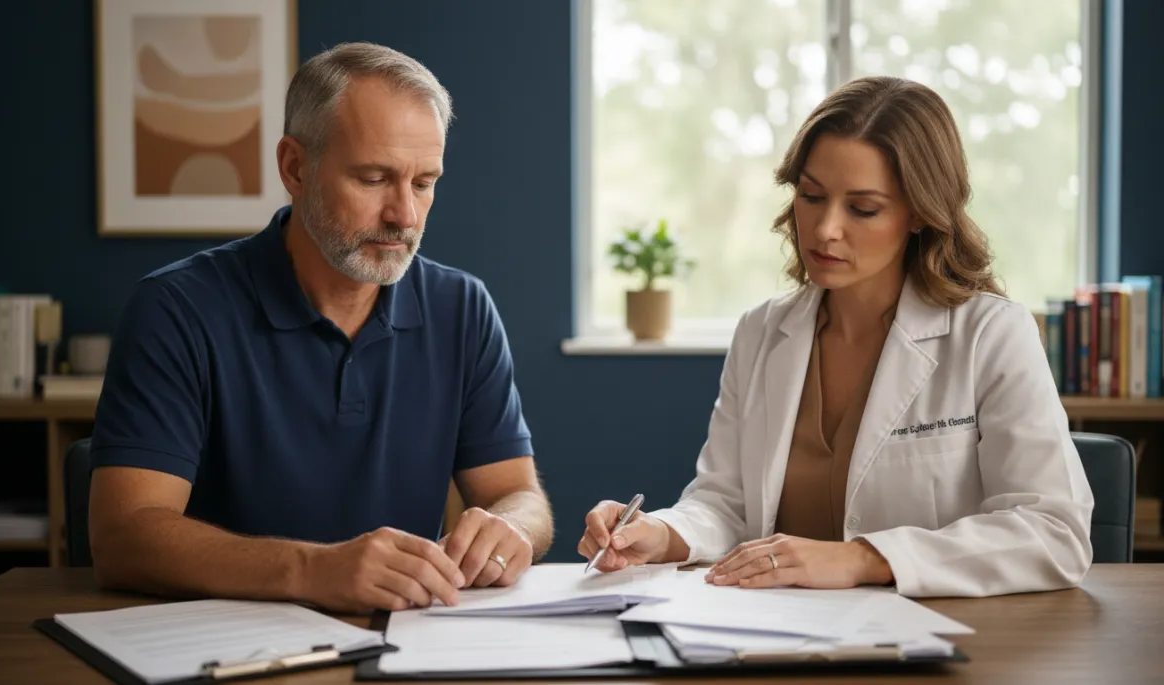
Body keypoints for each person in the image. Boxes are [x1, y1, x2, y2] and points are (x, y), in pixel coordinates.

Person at [578, 76, 1094, 598]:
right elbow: (725, 502)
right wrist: (662, 533)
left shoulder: (991, 333)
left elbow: (1054, 532)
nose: (825, 229)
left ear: (919, 212)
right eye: (811, 196)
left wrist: (863, 559)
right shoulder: (761, 332)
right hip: (779, 642)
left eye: (862, 208)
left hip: (940, 643)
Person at [88, 42, 553, 613]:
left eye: (424, 182)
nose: (404, 215)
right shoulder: (176, 308)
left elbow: (517, 493)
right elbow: (122, 538)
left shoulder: (463, 307)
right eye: (374, 178)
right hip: (224, 648)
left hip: (405, 642)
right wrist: (314, 569)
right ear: (294, 167)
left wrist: (513, 529)